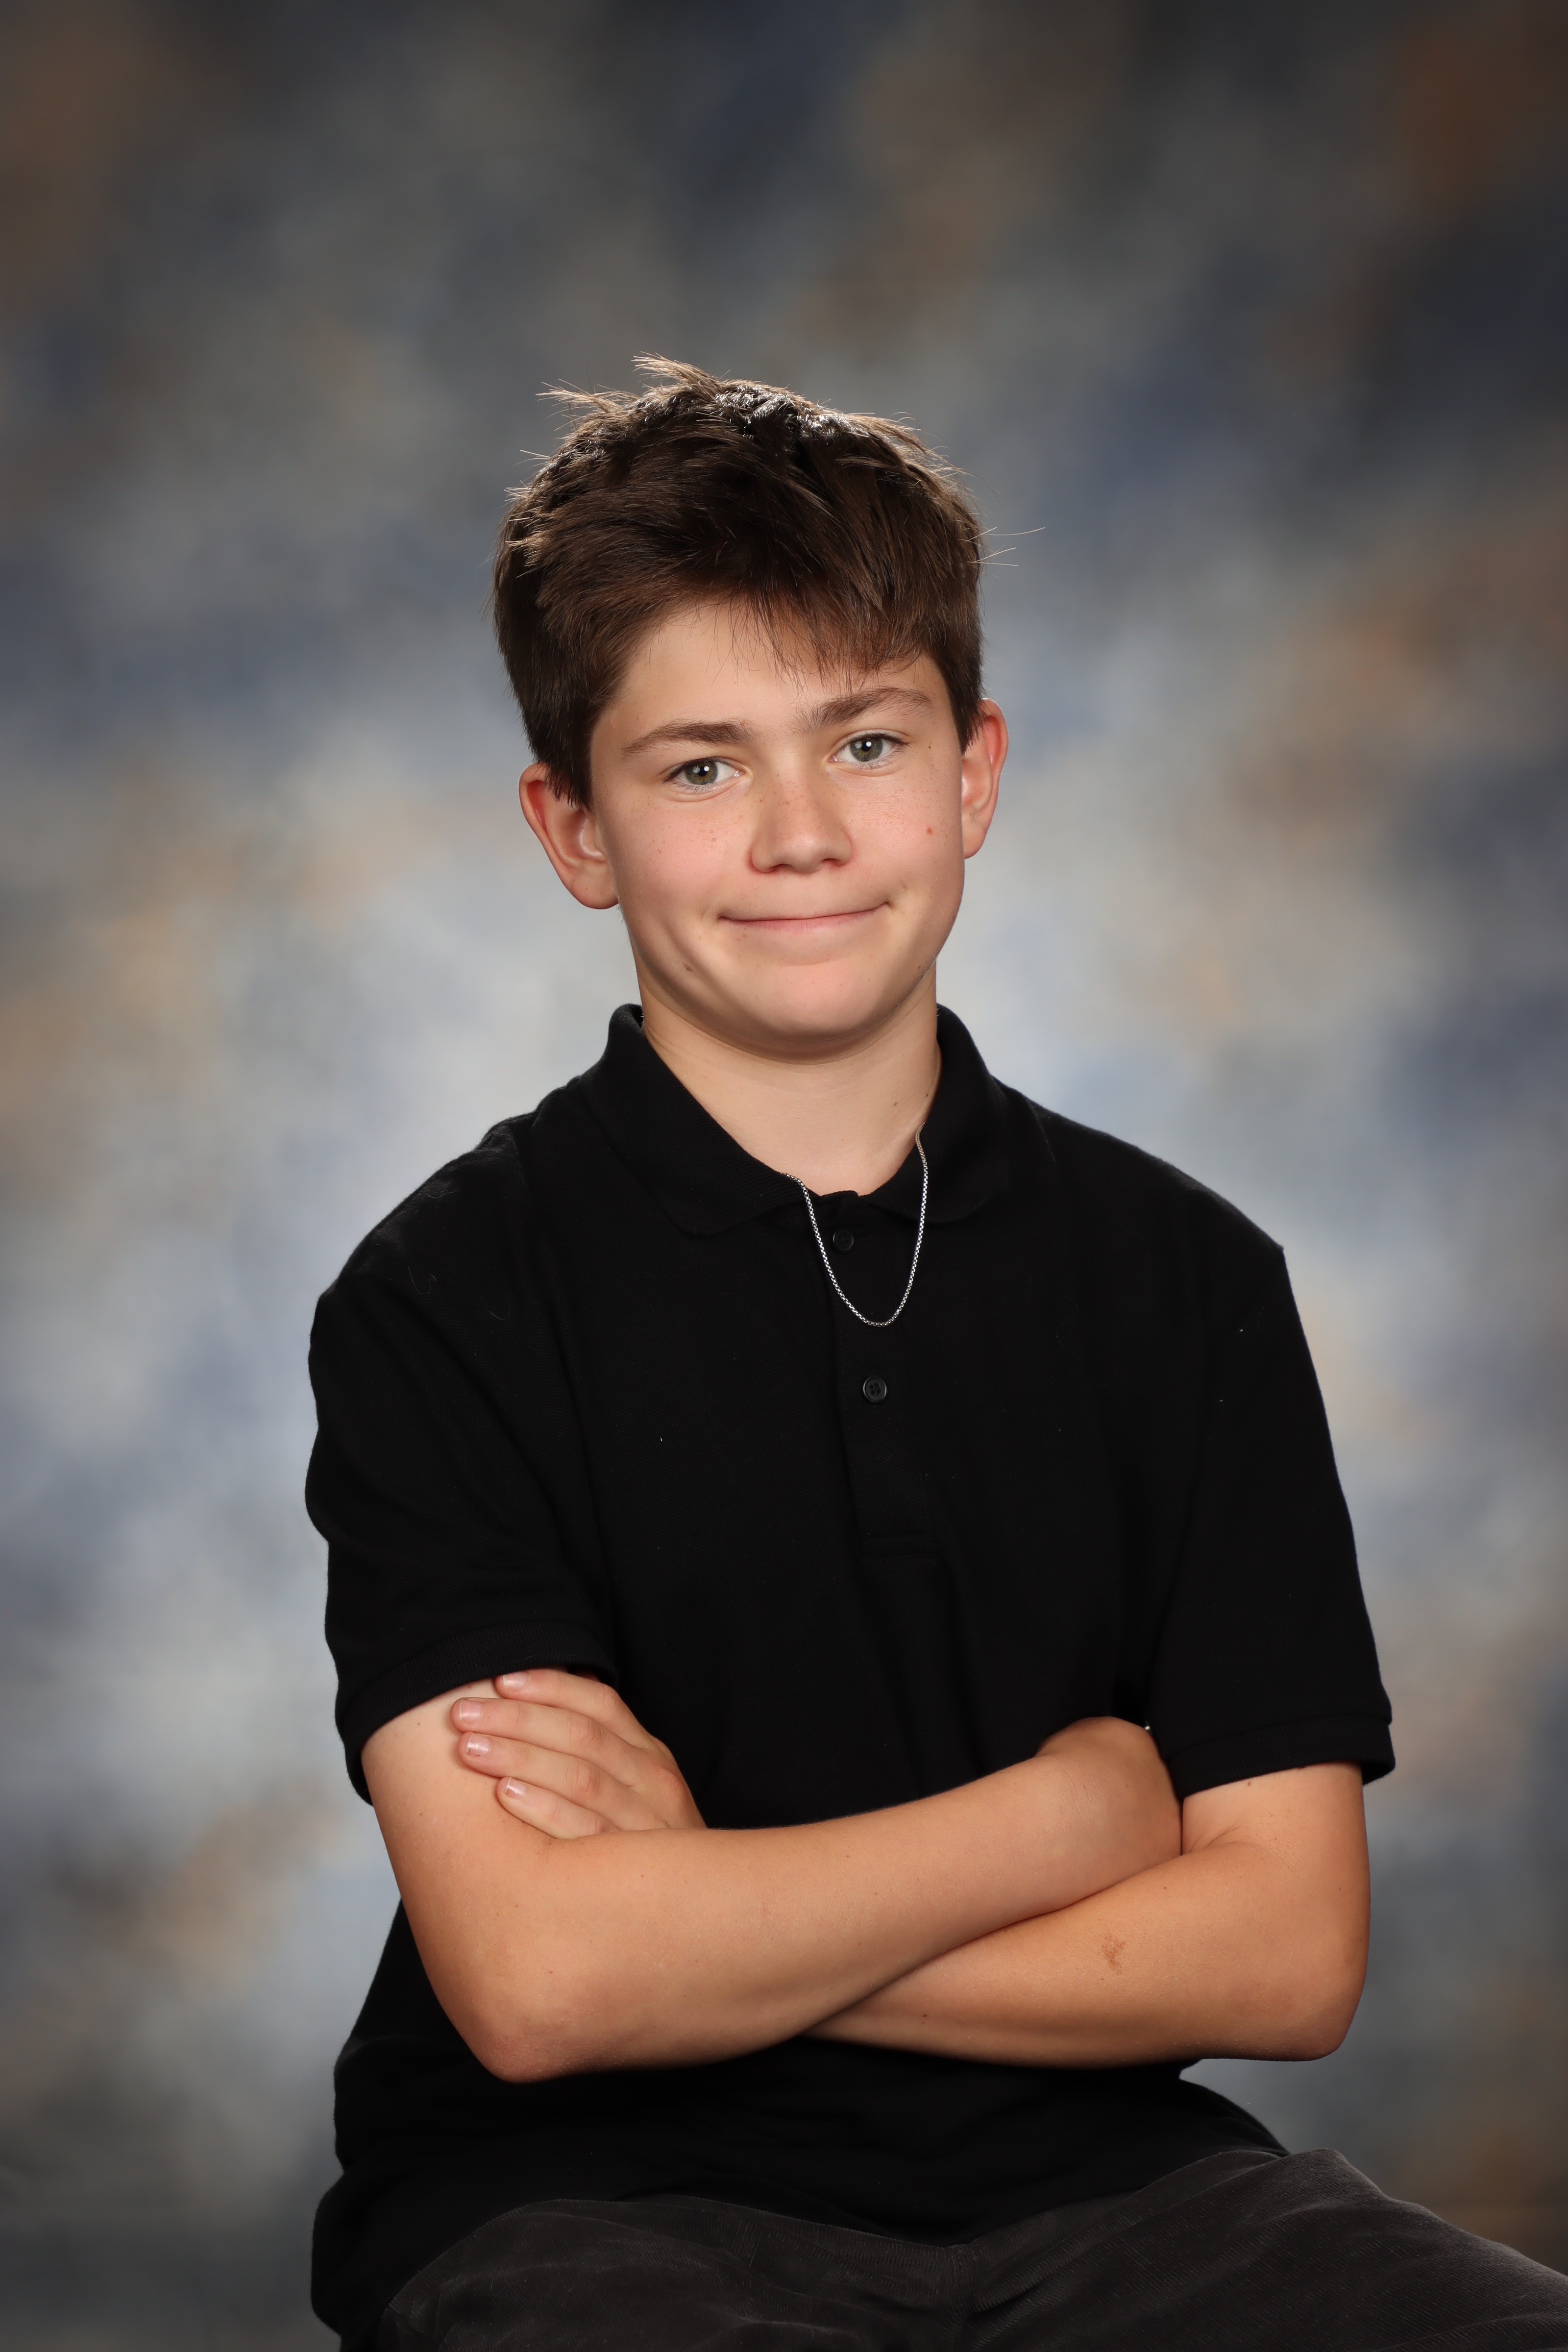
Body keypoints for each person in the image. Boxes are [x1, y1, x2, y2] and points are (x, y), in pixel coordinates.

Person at [305, 360, 1568, 2352]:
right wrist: (1061, 1825)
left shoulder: (1186, 1281)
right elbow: (546, 1990)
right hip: (589, 2211)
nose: (802, 834)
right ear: (573, 828)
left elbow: (1285, 1954)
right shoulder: (442, 1299)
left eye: (866, 741)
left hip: (1122, 2198)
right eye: (699, 768)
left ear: (972, 774)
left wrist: (705, 1908)